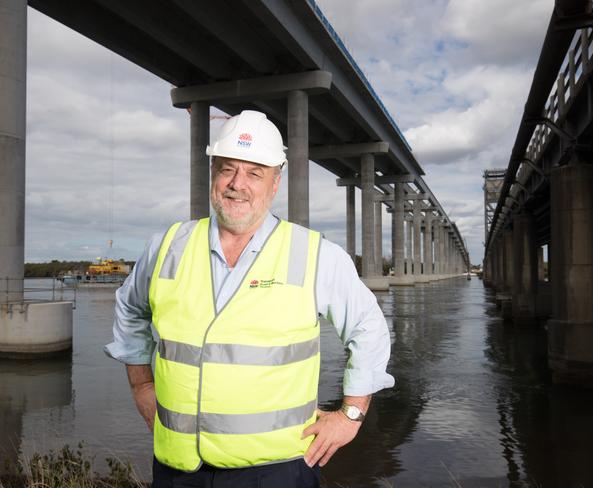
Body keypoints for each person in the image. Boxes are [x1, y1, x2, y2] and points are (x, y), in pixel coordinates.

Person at [104, 109, 394, 487]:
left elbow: (369, 328)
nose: (237, 184)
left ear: (275, 183)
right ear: (213, 174)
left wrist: (350, 416)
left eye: (255, 172)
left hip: (276, 470)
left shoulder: (314, 254)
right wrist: (141, 384)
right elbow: (130, 308)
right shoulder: (168, 246)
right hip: (177, 468)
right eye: (227, 169)